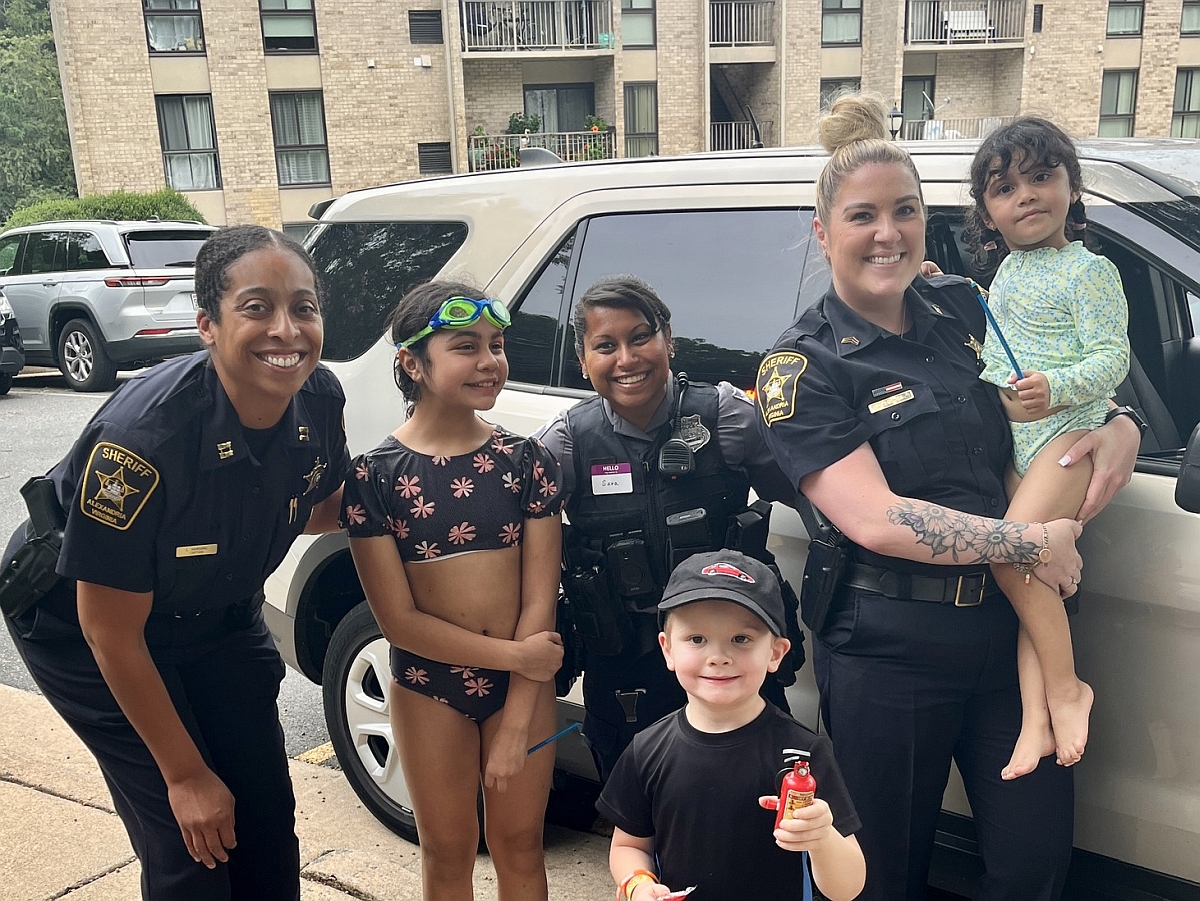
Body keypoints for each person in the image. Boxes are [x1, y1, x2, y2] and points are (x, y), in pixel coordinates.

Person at [754, 93, 1142, 901]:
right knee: (881, 875)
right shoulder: (802, 368)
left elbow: (1061, 391)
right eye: (862, 215)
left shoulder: (967, 308)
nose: (887, 232)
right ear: (823, 233)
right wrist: (1029, 543)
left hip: (1007, 638)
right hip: (891, 647)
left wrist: (1122, 428)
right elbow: (874, 516)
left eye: (906, 210)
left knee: (1034, 863)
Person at [0, 225, 351, 900]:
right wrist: (185, 775)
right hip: (84, 628)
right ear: (208, 325)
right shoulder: (143, 441)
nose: (287, 329)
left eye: (303, 307)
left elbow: (318, 503)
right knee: (193, 846)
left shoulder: (319, 399)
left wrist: (423, 489)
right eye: (256, 307)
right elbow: (110, 631)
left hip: (214, 613)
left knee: (266, 826)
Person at [342, 281, 566, 900]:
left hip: (524, 690)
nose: (489, 361)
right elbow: (400, 623)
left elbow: (537, 601)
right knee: (446, 851)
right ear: (412, 363)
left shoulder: (526, 461)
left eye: (496, 345)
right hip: (428, 685)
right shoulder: (374, 478)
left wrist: (519, 718)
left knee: (521, 845)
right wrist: (517, 657)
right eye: (466, 347)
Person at [535, 274, 801, 782]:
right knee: (640, 815)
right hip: (626, 661)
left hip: (730, 658)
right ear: (583, 359)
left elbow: (816, 491)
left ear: (668, 340)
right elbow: (514, 539)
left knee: (755, 806)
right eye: (605, 346)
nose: (627, 359)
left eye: (640, 337)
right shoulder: (568, 441)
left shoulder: (726, 416)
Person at [964, 116, 1129, 779]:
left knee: (1010, 560)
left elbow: (1112, 357)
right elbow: (1000, 363)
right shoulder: (1003, 275)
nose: (1025, 195)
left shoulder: (1090, 270)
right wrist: (1002, 387)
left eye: (1041, 177)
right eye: (1005, 187)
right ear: (987, 212)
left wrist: (1053, 387)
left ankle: (1068, 689)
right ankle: (1037, 717)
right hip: (1021, 442)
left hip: (1066, 439)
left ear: (1071, 187)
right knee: (1032, 581)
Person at [597, 550, 865, 901]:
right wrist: (638, 884)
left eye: (741, 639)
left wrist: (822, 837)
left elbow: (847, 888)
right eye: (696, 639)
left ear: (776, 653)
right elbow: (629, 846)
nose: (718, 656)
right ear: (667, 650)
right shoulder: (646, 749)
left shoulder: (802, 755)